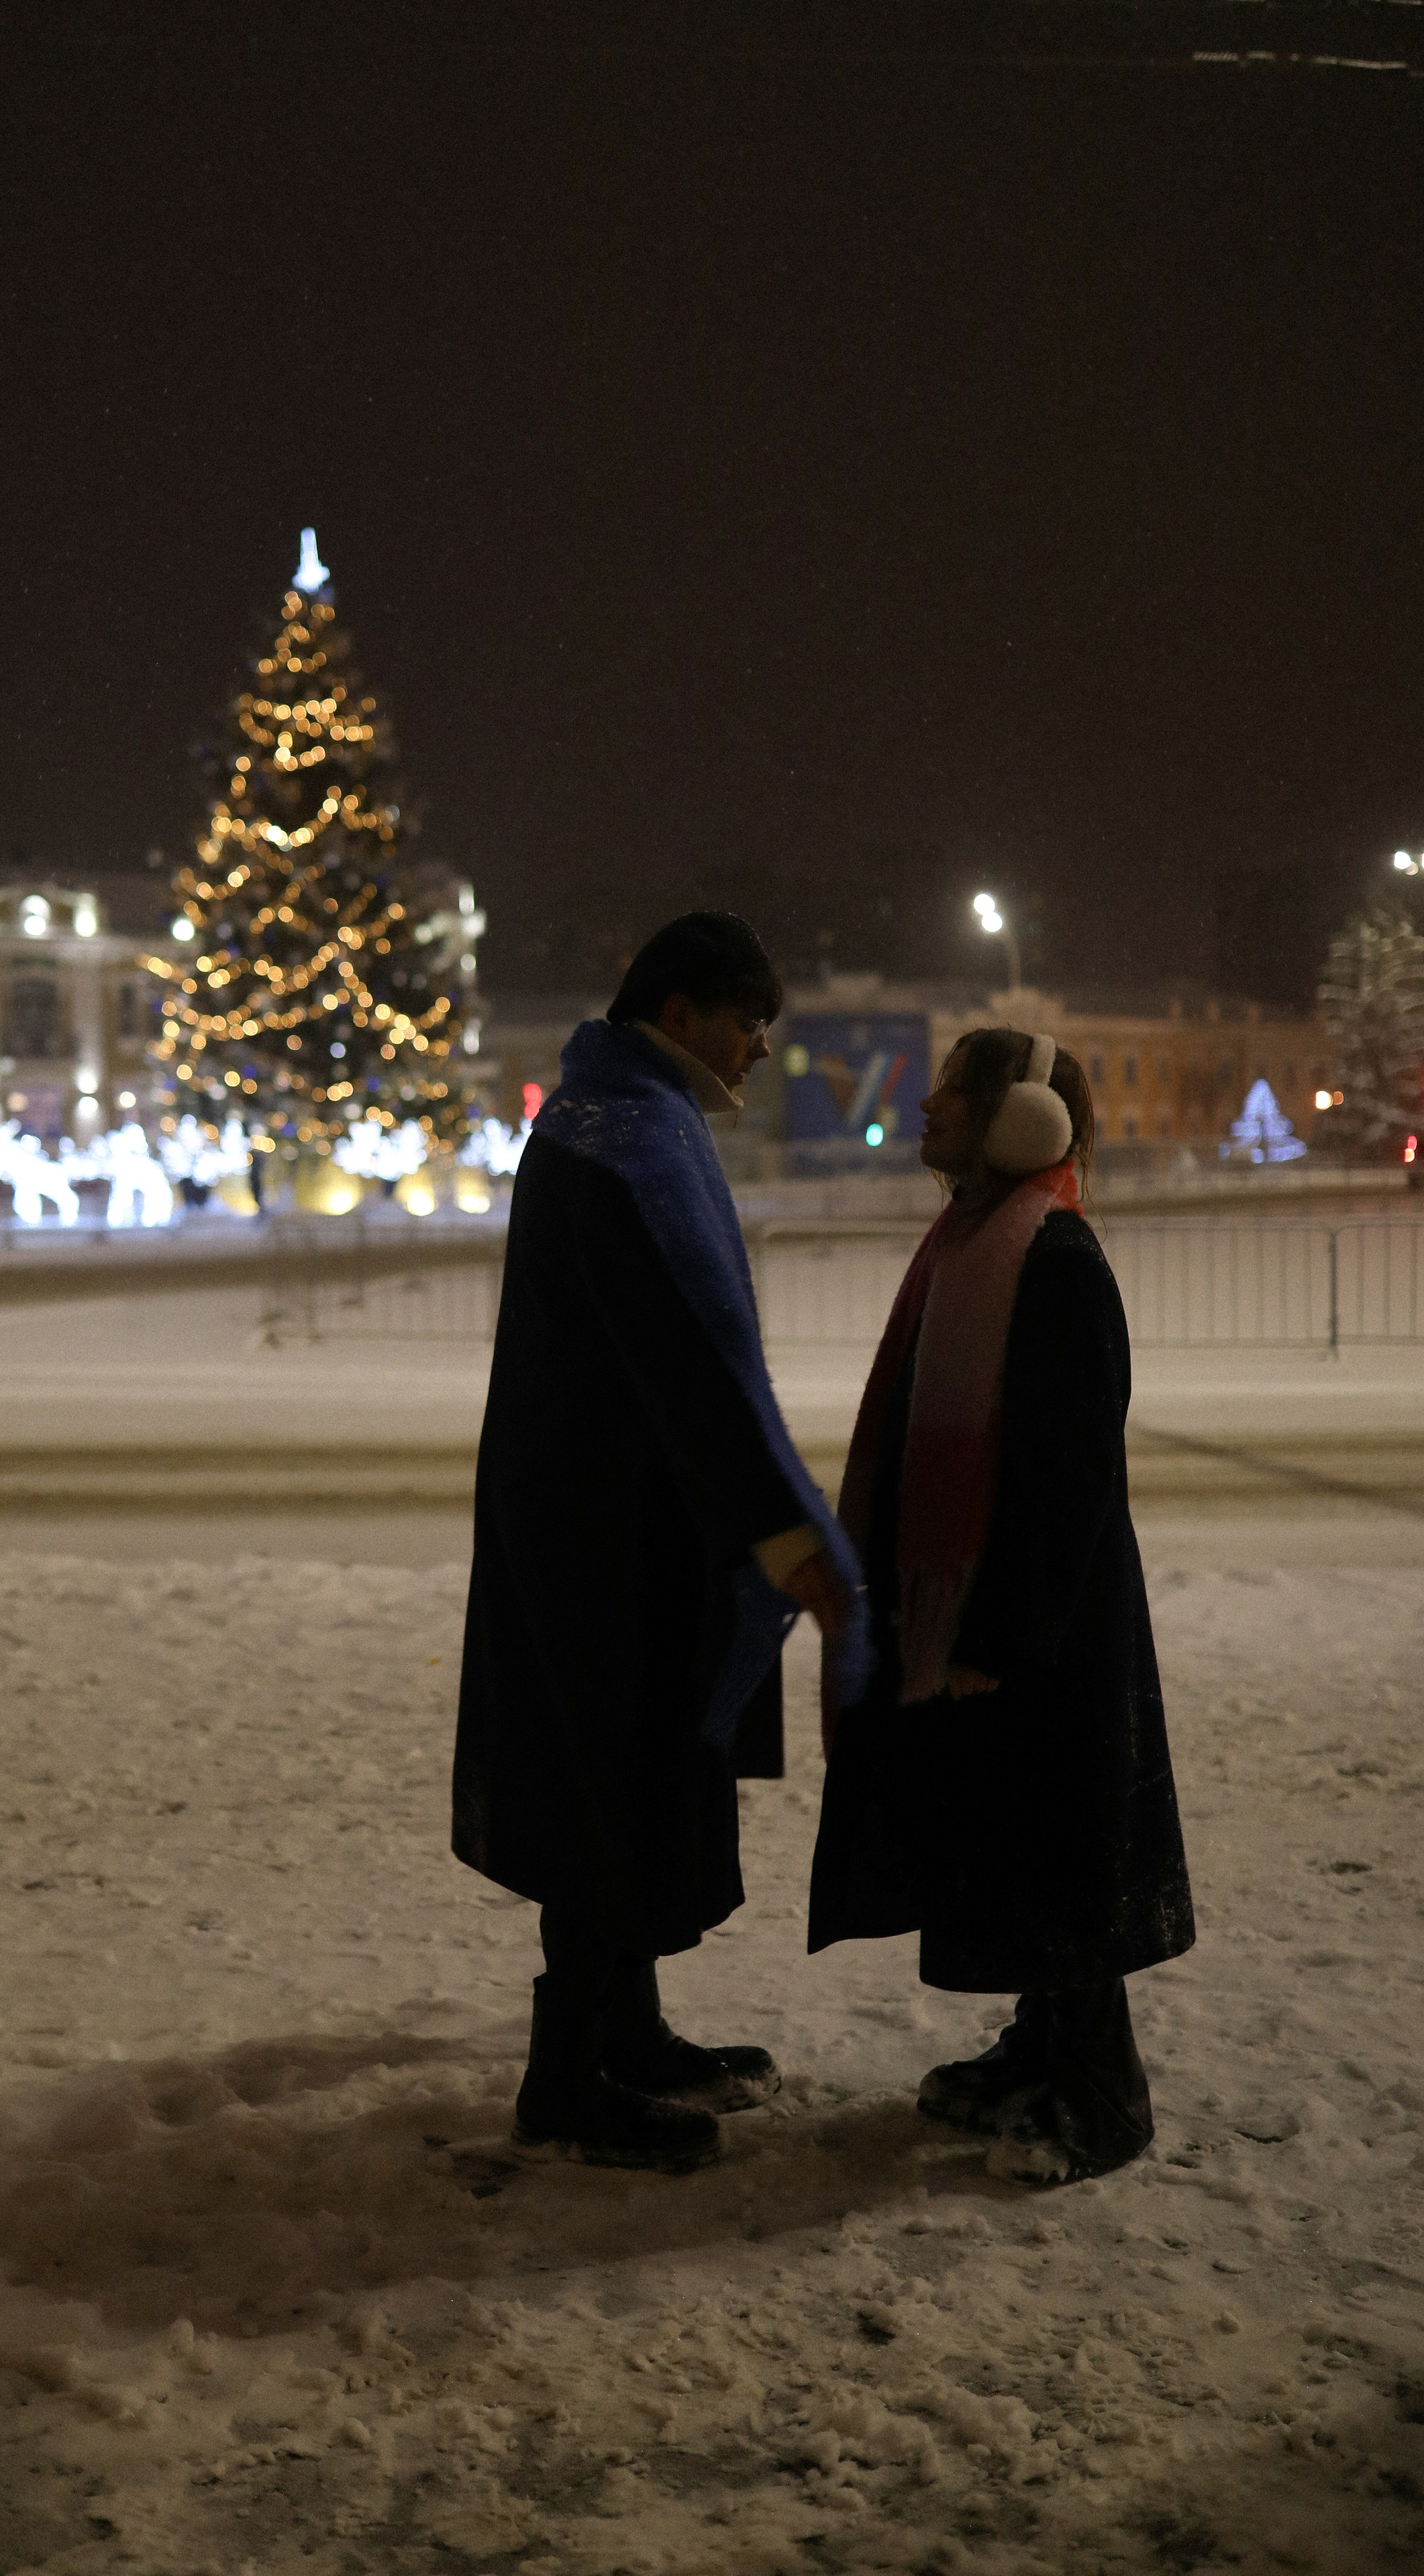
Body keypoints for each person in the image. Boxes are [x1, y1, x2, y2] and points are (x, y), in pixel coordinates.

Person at [454, 913, 866, 2171]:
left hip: (610, 1525)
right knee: (607, 1788)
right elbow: (685, 1364)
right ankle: (566, 2076)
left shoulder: (614, 1120)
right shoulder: (625, 1141)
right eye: (750, 1023)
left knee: (622, 1785)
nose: (757, 1050)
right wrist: (781, 1527)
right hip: (606, 1545)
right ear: (681, 1015)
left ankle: (626, 2033)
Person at [807, 1027, 1194, 2184]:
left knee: (1063, 1850)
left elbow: (1064, 1479)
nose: (926, 1108)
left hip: (1043, 1632)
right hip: (994, 1622)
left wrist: (996, 1636)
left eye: (954, 1092)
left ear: (1017, 1118)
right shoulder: (970, 1244)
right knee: (1022, 1847)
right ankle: (1041, 2046)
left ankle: (1100, 2098)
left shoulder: (1054, 1259)